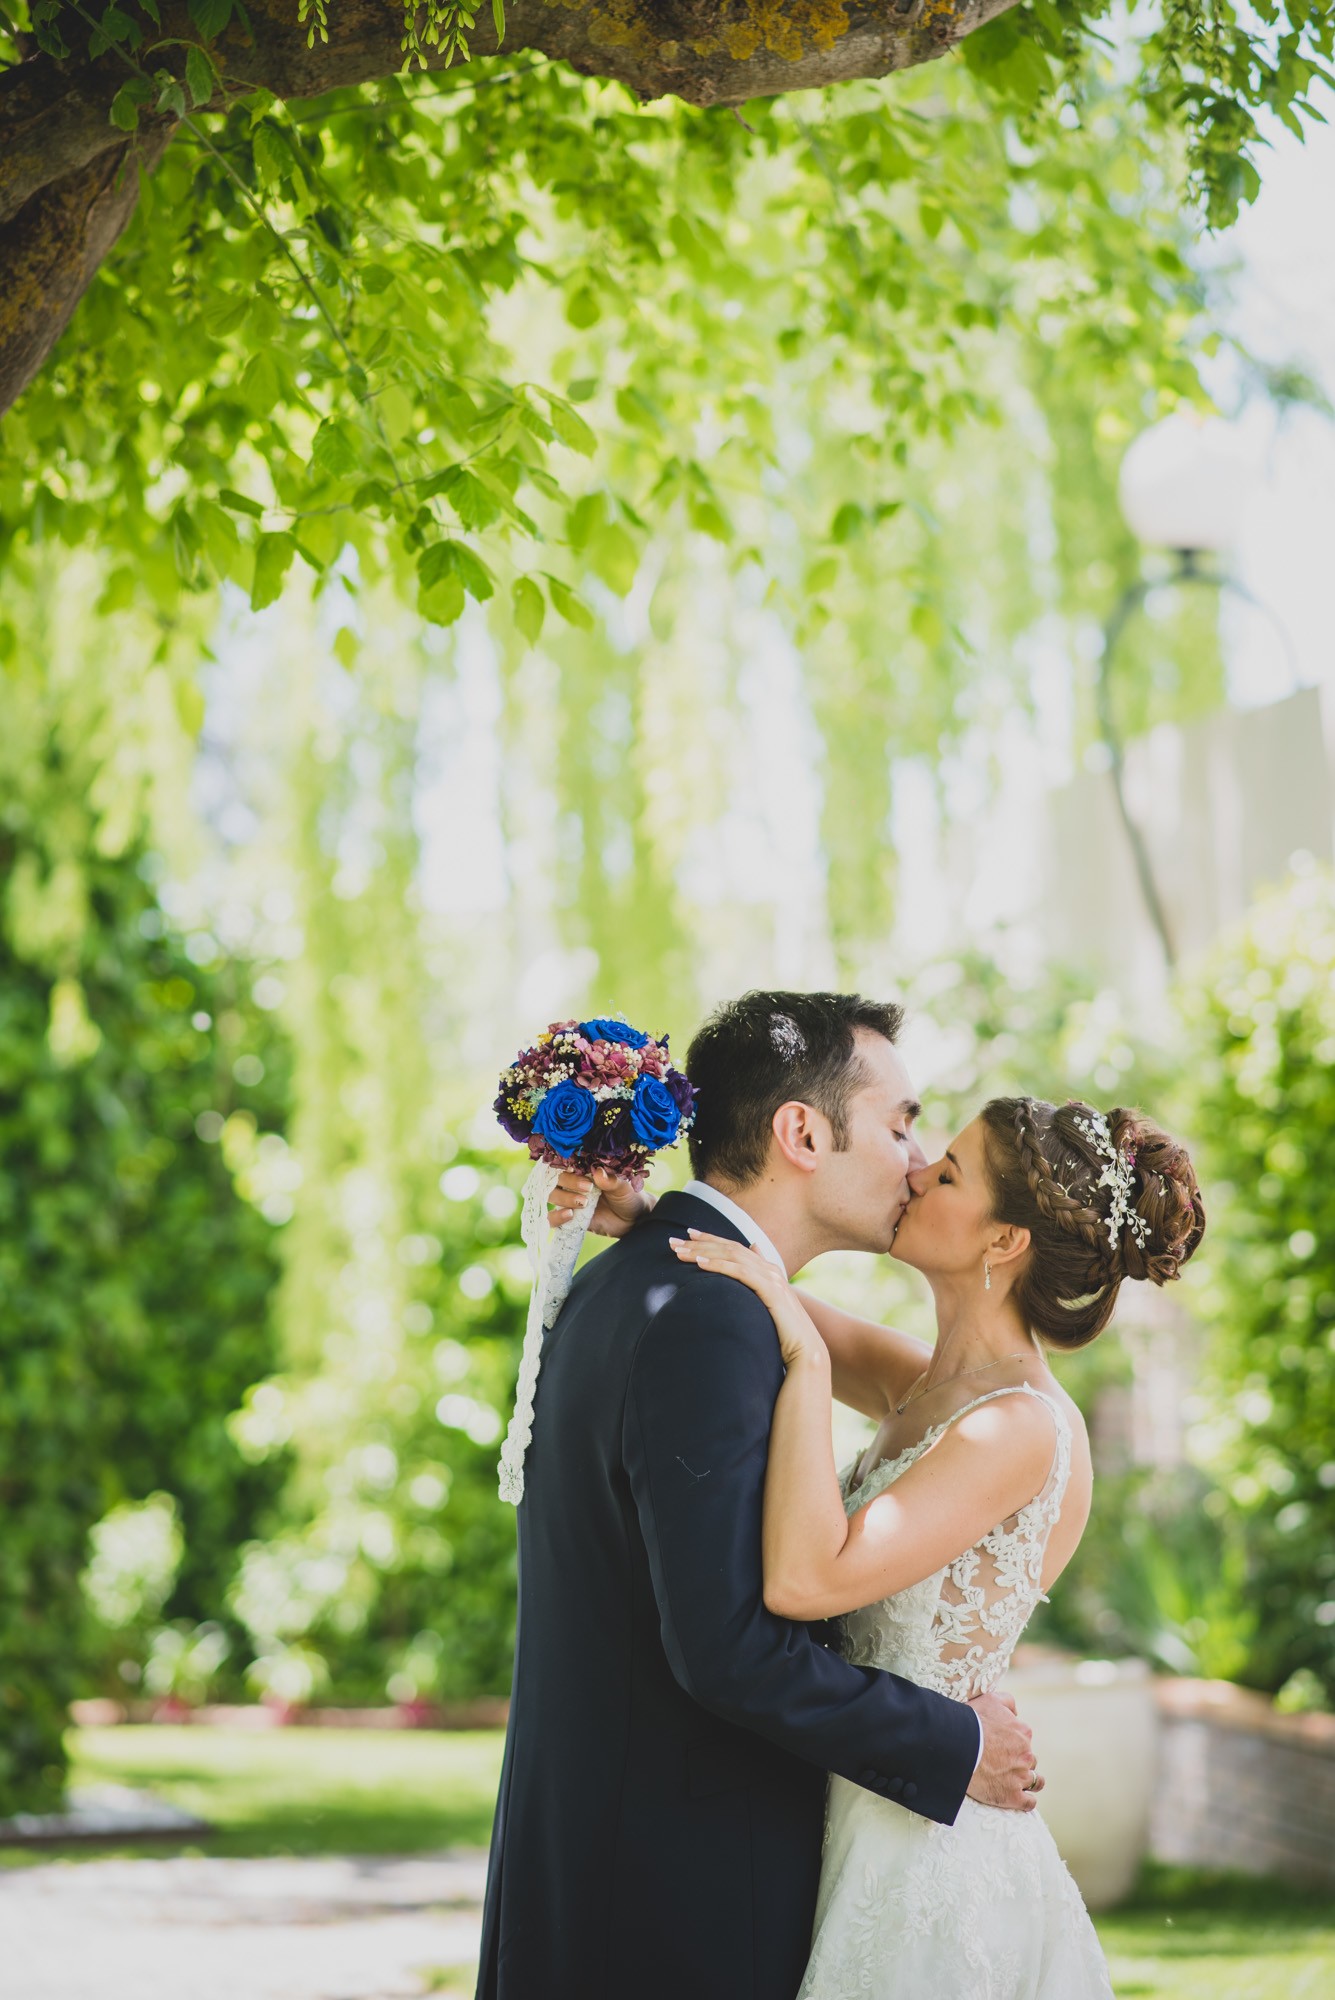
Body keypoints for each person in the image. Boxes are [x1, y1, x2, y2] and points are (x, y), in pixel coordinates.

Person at [476, 992, 1038, 2000]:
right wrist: (955, 1743)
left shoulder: (652, 1279)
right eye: (903, 1123)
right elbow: (730, 1648)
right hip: (675, 1902)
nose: (918, 1158)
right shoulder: (709, 1316)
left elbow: (955, 1396)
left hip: (599, 1870)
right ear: (803, 1131)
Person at [666, 1090, 1203, 1995]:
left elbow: (805, 1579)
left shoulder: (1017, 1431)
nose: (914, 1172)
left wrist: (802, 1367)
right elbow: (755, 1277)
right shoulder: (925, 1383)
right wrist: (643, 1215)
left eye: (947, 1172)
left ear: (1003, 1242)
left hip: (925, 1857)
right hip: (855, 1806)